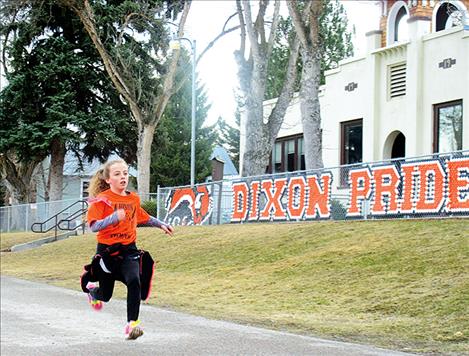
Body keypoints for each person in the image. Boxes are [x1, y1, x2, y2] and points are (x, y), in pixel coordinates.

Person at [84, 159, 173, 340]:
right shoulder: (102, 200)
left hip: (129, 251)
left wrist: (161, 224)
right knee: (106, 295)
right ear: (108, 179)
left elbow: (143, 217)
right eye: (117, 174)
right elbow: (94, 226)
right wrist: (114, 217)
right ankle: (93, 291)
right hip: (107, 253)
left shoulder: (133, 199)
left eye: (125, 173)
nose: (123, 177)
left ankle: (132, 324)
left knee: (135, 280)